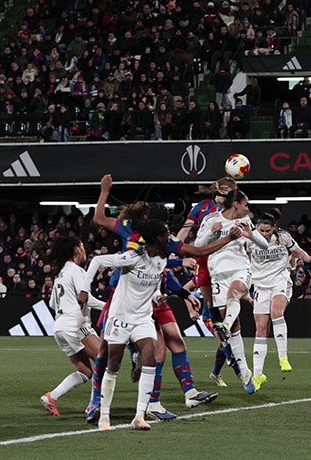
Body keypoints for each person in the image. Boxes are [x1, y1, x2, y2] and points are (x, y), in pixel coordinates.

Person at [86, 175, 234, 424]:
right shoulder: (132, 230)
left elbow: (190, 255)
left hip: (155, 298)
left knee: (170, 345)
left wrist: (185, 292)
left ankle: (171, 397)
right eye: (164, 225)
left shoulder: (166, 242)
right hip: (124, 297)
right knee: (107, 349)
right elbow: (99, 220)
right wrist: (104, 191)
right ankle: (97, 401)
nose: (167, 231)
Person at [78, 219, 171, 431]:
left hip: (143, 318)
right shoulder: (133, 257)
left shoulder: (162, 260)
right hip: (120, 317)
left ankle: (139, 417)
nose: (169, 238)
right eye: (166, 234)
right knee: (114, 364)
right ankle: (104, 417)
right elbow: (97, 261)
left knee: (150, 359)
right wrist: (85, 289)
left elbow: (155, 287)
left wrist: (157, 297)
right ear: (157, 237)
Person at [196, 189, 271, 394]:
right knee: (235, 326)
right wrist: (212, 232)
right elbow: (198, 245)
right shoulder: (211, 220)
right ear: (236, 204)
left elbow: (264, 244)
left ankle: (225, 325)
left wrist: (250, 235)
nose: (247, 208)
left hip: (240, 269)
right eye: (245, 204)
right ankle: (245, 372)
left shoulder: (245, 221)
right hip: (218, 274)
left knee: (234, 294)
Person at [176, 177, 239, 387]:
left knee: (229, 324)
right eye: (221, 194)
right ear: (216, 193)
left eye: (227, 196)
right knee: (221, 325)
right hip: (205, 261)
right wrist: (173, 248)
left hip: (225, 264)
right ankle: (236, 367)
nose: (223, 199)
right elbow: (185, 230)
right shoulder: (202, 208)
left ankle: (220, 369)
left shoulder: (235, 211)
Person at [249, 210, 311, 391]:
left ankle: (283, 357)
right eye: (261, 230)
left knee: (276, 312)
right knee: (261, 329)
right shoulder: (249, 238)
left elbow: (298, 251)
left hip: (279, 279)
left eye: (267, 231)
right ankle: (257, 375)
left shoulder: (283, 237)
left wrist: (308, 258)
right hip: (260, 285)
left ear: (274, 228)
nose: (264, 234)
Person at [41, 236, 105, 417]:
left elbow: (52, 304)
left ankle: (52, 397)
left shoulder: (60, 274)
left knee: (86, 370)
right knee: (105, 361)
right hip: (76, 325)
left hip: (59, 327)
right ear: (77, 249)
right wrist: (109, 307)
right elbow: (86, 298)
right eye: (83, 246)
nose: (85, 250)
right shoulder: (77, 271)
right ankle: (94, 405)